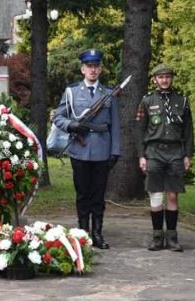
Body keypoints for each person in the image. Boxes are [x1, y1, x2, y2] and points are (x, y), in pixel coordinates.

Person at [52, 48, 121, 249]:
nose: (93, 70)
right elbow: (58, 116)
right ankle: (82, 233)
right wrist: (72, 125)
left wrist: (115, 150)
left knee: (98, 195)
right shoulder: (72, 92)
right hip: (79, 150)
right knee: (82, 193)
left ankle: (98, 233)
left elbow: (115, 125)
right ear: (82, 69)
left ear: (100, 69)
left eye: (96, 66)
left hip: (102, 149)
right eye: (89, 66)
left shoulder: (108, 94)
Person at [136, 64, 194, 252]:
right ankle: (156, 237)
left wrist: (187, 155)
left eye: (168, 77)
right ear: (155, 79)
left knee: (172, 195)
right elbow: (139, 130)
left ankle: (172, 237)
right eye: (160, 77)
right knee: (156, 196)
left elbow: (188, 131)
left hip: (175, 153)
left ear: (172, 79)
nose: (164, 80)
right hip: (154, 152)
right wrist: (141, 155)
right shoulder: (146, 101)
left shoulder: (182, 101)